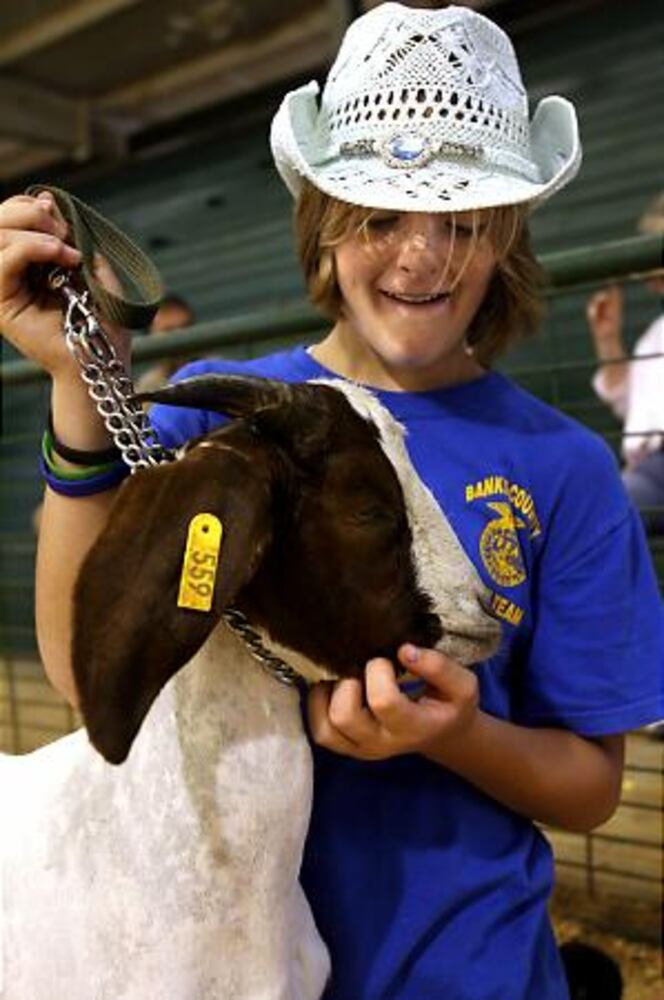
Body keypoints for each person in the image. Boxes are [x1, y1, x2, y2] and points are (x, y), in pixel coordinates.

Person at [0, 5, 662, 999]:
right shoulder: (227, 424)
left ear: (507, 235)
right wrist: (76, 382)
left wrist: (455, 735)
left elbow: (591, 786)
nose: (421, 256)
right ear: (323, 218)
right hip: (222, 960)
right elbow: (84, 665)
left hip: (465, 969)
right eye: (379, 216)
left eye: (462, 222)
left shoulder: (562, 466)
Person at [587, 193, 664, 534]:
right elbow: (629, 406)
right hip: (646, 466)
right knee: (600, 513)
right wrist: (607, 338)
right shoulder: (654, 335)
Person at [134, 292, 195, 394]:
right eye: (169, 331)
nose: (180, 338)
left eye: (186, 327)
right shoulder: (146, 391)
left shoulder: (214, 371)